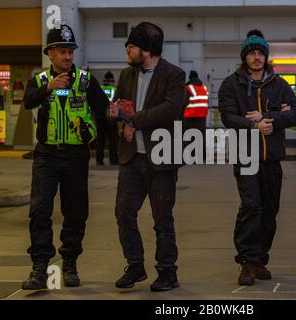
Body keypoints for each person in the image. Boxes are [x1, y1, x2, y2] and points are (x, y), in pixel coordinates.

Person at [21, 23, 109, 290]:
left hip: (75, 156)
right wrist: (49, 88)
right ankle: (39, 268)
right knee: (39, 210)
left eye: (70, 51)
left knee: (75, 212)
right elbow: (27, 102)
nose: (67, 57)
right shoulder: (39, 81)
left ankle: (69, 263)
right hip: (46, 155)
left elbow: (104, 110)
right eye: (62, 51)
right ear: (50, 53)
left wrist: (93, 137)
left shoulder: (85, 80)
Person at [218, 29, 296, 286]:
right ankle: (245, 262)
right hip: (246, 158)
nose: (256, 57)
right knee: (252, 207)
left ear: (266, 57)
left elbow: (295, 114)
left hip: (272, 158)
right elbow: (228, 116)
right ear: (245, 57)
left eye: (260, 53)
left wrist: (269, 117)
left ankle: (258, 260)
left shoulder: (279, 84)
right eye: (252, 53)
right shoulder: (231, 84)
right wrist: (254, 126)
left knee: (269, 210)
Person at [109, 21, 185, 291]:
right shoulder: (127, 75)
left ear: (148, 50)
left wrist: (134, 121)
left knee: (162, 218)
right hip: (132, 158)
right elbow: (120, 104)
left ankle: (167, 272)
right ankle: (135, 265)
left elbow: (170, 109)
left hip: (162, 157)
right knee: (123, 213)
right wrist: (118, 115)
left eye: (132, 47)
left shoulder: (174, 75)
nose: (127, 50)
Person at [96, 71, 118, 165]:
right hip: (111, 117)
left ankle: (99, 161)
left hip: (100, 117)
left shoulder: (99, 89)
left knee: (100, 139)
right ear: (112, 80)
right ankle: (113, 160)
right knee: (112, 139)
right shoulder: (114, 89)